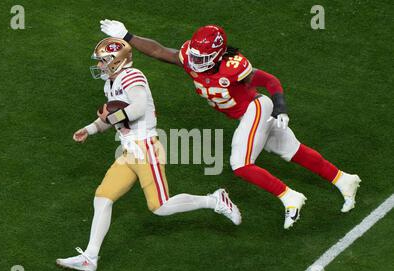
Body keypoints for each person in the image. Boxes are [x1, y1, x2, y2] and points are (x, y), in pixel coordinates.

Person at [99, 20, 361, 229]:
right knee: (293, 151)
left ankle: (290, 197)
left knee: (241, 164)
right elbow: (159, 51)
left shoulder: (233, 67)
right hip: (246, 115)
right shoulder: (192, 58)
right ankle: (344, 180)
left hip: (257, 109)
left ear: (218, 54)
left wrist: (280, 106)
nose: (195, 62)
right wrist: (127, 35)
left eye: (203, 57)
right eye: (194, 56)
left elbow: (269, 80)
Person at [56, 37, 241, 271]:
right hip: (129, 149)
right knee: (103, 196)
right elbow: (111, 117)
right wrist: (91, 129)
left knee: (160, 206)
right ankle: (90, 257)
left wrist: (108, 118)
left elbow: (137, 108)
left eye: (103, 61)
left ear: (117, 61)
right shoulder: (111, 83)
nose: (100, 66)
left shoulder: (132, 76)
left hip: (145, 148)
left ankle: (215, 200)